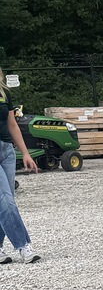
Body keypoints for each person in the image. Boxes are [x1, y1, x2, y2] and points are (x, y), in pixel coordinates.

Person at [0, 72, 41, 263]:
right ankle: (23, 246)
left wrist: (25, 153)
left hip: (6, 151)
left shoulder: (4, 92)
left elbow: (12, 125)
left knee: (7, 202)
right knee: (5, 201)